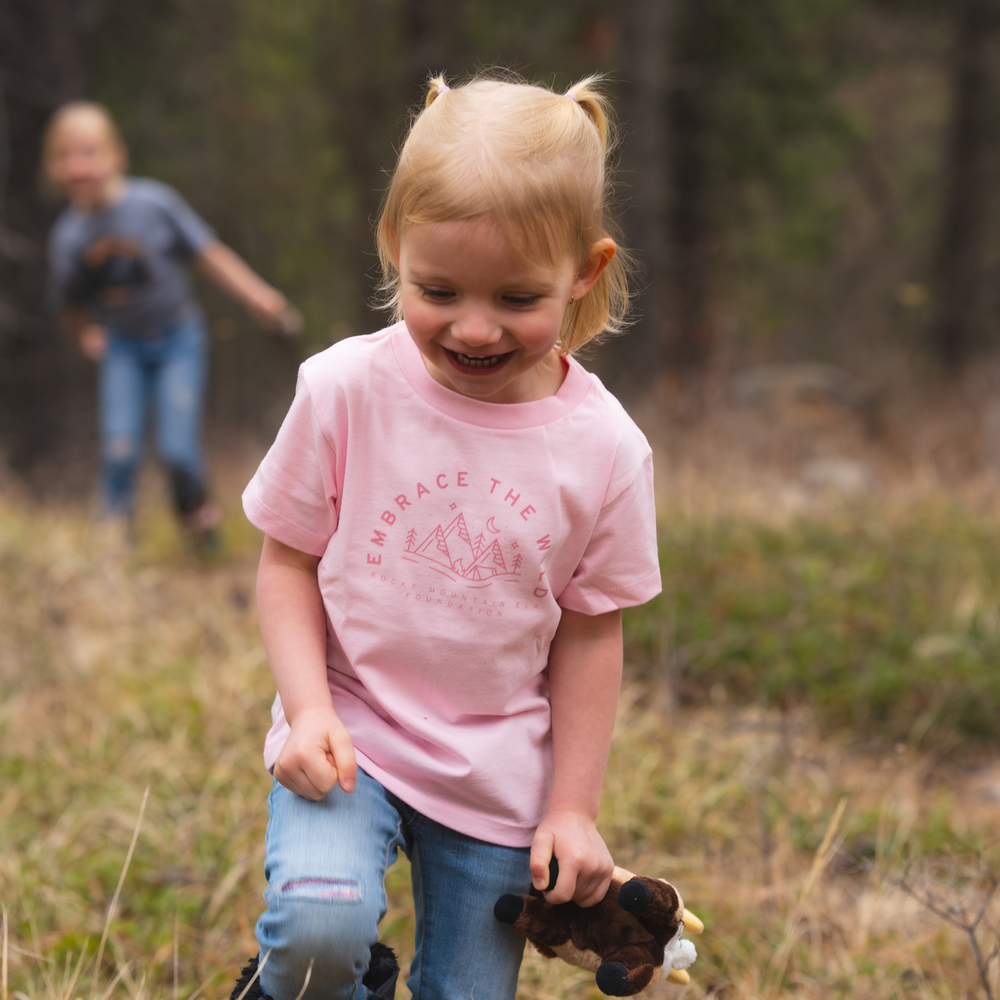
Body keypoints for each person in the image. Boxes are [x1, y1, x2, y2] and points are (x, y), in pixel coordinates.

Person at [238, 73, 661, 1000]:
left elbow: (592, 630)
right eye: (438, 289)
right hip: (350, 731)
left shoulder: (605, 450)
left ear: (585, 272)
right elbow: (288, 560)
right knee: (316, 935)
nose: (473, 328)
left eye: (516, 298)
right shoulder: (344, 391)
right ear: (395, 246)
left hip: (498, 775)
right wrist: (307, 709)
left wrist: (573, 808)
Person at [43, 101, 298, 543]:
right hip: (123, 348)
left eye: (89, 152)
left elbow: (209, 254)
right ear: (53, 167)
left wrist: (258, 296)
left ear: (115, 155)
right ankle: (113, 542)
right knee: (119, 448)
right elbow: (70, 303)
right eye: (66, 155)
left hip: (179, 341)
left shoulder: (154, 205)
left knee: (177, 450)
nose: (78, 165)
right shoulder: (67, 238)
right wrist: (84, 335)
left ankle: (199, 526)